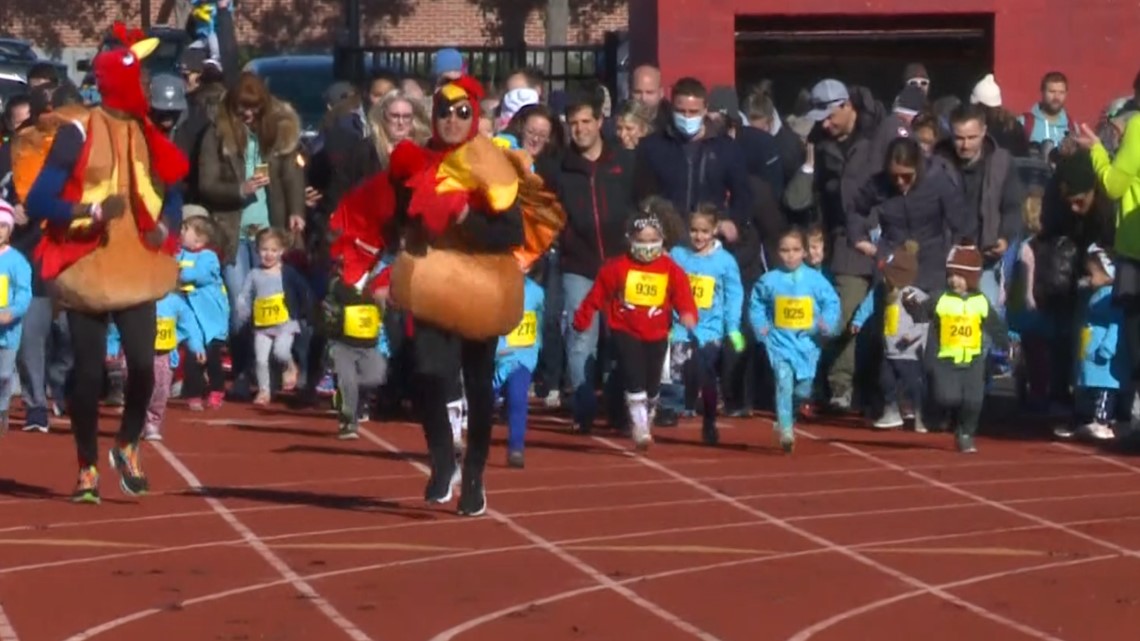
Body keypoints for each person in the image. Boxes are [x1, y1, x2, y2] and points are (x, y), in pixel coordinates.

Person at [335, 73, 562, 516]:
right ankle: (442, 459)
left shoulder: (492, 165)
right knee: (428, 371)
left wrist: (462, 217)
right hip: (433, 282)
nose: (453, 120)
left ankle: (474, 473)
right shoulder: (417, 163)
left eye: (462, 113)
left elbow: (510, 232)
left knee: (478, 383)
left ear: (475, 116)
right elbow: (393, 217)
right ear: (432, 116)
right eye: (444, 112)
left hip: (481, 284)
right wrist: (376, 271)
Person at [25, 24, 189, 503]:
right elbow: (38, 199)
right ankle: (86, 466)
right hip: (87, 261)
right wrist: (88, 212)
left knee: (143, 365)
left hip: (136, 263)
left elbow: (173, 191)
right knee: (90, 372)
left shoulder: (146, 131)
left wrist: (167, 227)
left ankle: (128, 443)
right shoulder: (77, 132)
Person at [572, 205, 698, 450]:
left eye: (653, 240)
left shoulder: (670, 269)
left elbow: (683, 294)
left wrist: (687, 313)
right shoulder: (616, 267)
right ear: (630, 240)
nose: (648, 246)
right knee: (634, 376)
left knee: (652, 385)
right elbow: (597, 294)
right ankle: (639, 426)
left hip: (658, 332)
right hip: (625, 329)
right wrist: (583, 318)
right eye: (642, 240)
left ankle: (647, 414)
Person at [904, 241, 1010, 453]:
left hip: (973, 361)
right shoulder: (940, 298)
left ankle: (965, 434)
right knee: (947, 397)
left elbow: (995, 325)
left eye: (960, 276)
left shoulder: (980, 301)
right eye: (951, 275)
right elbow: (921, 314)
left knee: (973, 401)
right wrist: (911, 305)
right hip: (945, 360)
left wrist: (1005, 343)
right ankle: (931, 408)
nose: (954, 281)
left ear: (971, 278)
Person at [749, 228, 841, 452]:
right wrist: (759, 326)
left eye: (795, 250)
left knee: (803, 389)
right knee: (783, 382)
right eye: (785, 250)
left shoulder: (815, 280)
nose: (790, 255)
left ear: (804, 253)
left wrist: (825, 324)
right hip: (779, 343)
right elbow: (757, 305)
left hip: (807, 345)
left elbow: (832, 303)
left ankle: (789, 414)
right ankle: (786, 430)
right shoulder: (768, 280)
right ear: (778, 252)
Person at [663, 203, 745, 444]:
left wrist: (732, 328)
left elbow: (734, 295)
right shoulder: (678, 255)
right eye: (694, 230)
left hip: (710, 330)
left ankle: (709, 419)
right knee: (675, 373)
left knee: (704, 371)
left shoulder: (725, 262)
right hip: (680, 327)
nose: (698, 236)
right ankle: (673, 408)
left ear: (715, 231)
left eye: (704, 231)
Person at [850, 242, 928, 430]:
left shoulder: (912, 297)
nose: (884, 279)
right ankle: (891, 410)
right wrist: (858, 321)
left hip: (908, 352)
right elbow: (869, 304)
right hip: (889, 349)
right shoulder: (883, 292)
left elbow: (923, 322)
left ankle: (918, 414)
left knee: (911, 384)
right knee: (886, 381)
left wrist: (912, 336)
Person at [235, 228, 308, 405]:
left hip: (285, 324)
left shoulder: (288, 272)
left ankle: (290, 365)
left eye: (274, 250)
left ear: (281, 251)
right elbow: (244, 295)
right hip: (262, 326)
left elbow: (302, 291)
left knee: (280, 352)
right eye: (264, 250)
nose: (269, 255)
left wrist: (301, 309)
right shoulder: (254, 274)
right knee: (261, 360)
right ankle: (264, 391)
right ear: (258, 250)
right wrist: (242, 309)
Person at [177, 215, 229, 410]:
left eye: (185, 230)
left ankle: (217, 389)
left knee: (213, 358)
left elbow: (197, 275)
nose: (181, 233)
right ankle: (194, 393)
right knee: (192, 357)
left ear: (199, 238)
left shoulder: (209, 257)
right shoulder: (179, 254)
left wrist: (175, 273)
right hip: (192, 320)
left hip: (212, 319)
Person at [1073, 245, 1125, 441]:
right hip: (1090, 354)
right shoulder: (1094, 295)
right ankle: (1087, 418)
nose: (1089, 278)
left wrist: (1107, 348)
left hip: (1104, 358)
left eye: (1092, 274)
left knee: (1105, 390)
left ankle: (1102, 420)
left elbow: (1116, 324)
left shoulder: (1112, 297)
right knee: (1090, 389)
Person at [494, 265, 544, 467]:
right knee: (482, 401)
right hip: (494, 359)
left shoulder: (536, 292)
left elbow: (539, 323)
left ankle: (516, 448)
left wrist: (536, 348)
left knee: (518, 399)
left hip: (522, 357)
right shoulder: (492, 289)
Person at [145, 291, 206, 440]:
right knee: (140, 387)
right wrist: (113, 345)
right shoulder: (137, 298)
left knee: (161, 389)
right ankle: (136, 421)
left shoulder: (175, 301)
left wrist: (197, 346)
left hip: (164, 354)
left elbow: (189, 325)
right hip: (139, 352)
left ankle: (152, 422)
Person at [0, 199, 32, 434]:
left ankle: (2, 408)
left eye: (2, 226)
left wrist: (10, 313)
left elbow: (24, 294)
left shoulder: (17, 261)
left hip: (8, 332)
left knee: (3, 375)